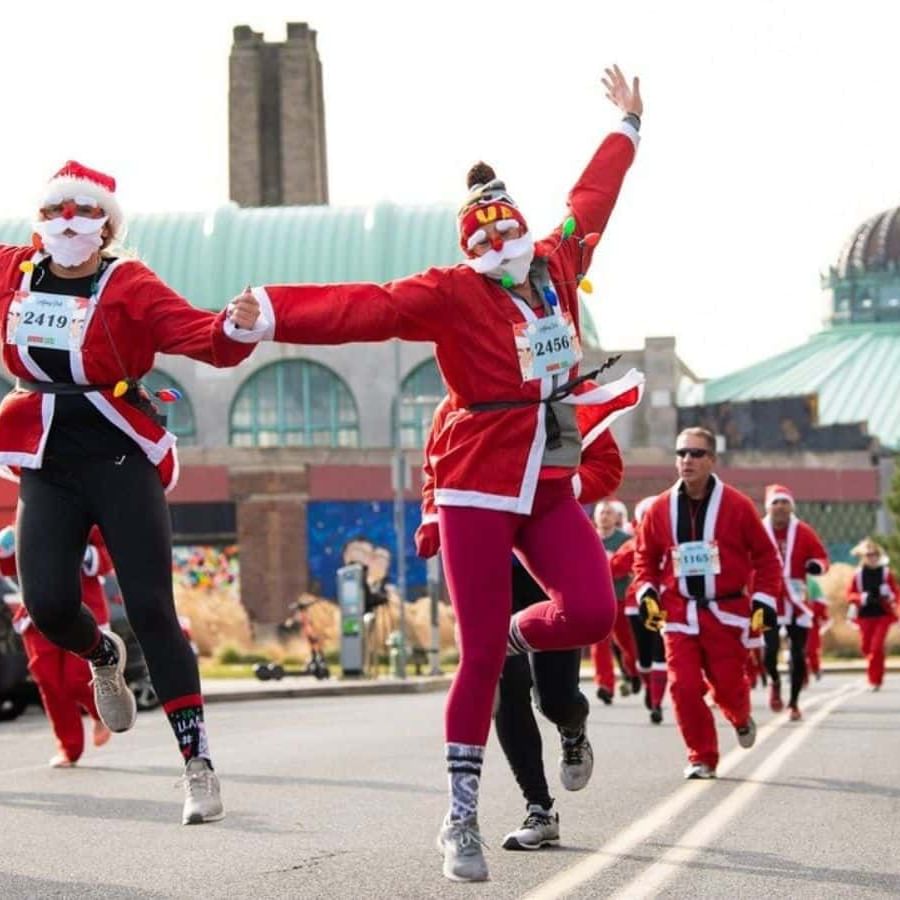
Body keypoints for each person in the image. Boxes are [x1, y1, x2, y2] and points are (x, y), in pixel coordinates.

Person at [237, 65, 645, 881]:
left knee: (596, 610)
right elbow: (366, 306)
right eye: (481, 241)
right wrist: (272, 310)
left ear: (526, 231)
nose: (497, 249)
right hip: (473, 483)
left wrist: (628, 127)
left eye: (506, 234)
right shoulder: (454, 292)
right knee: (479, 658)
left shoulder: (560, 264)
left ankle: (525, 639)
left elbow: (593, 197)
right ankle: (459, 817)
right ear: (468, 249)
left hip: (546, 477)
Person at [0, 161, 262, 823]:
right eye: (56, 210)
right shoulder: (13, 274)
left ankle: (197, 766)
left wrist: (236, 324)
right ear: (39, 221)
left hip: (119, 455)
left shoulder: (129, 284)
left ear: (108, 225)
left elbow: (198, 335)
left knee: (152, 609)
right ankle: (100, 654)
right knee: (50, 606)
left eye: (83, 213)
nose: (68, 223)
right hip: (47, 462)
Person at [416, 379, 627, 852]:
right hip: (491, 576)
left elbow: (606, 466)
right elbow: (435, 471)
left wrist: (550, 486)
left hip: (549, 570)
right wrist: (432, 517)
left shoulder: (564, 391)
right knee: (505, 691)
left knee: (554, 696)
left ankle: (573, 727)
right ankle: (539, 807)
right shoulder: (460, 399)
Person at [633, 428, 783, 779]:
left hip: (725, 612)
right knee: (683, 686)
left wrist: (763, 600)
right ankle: (702, 756)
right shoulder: (658, 508)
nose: (687, 459)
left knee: (729, 686)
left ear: (712, 460)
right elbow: (645, 559)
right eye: (681, 452)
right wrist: (647, 593)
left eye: (696, 453)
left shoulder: (737, 505)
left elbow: (767, 558)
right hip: (680, 611)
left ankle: (740, 716)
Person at [0, 523, 113, 766]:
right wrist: (5, 548)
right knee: (49, 681)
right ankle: (69, 749)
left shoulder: (88, 516)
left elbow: (107, 558)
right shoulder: (27, 516)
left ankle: (100, 713)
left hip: (81, 609)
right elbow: (9, 568)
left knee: (77, 677)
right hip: (37, 612)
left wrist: (81, 552)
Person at [760, 484, 829, 720]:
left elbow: (821, 557)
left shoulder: (803, 531)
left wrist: (815, 566)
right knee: (769, 651)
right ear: (768, 507)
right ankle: (775, 681)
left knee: (798, 654)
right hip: (768, 596)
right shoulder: (758, 530)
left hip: (796, 597)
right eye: (775, 503)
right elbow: (742, 555)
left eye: (784, 502)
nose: (780, 507)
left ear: (791, 507)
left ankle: (794, 703)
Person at [608, 495, 668, 723]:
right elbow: (611, 569)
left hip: (666, 605)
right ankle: (647, 683)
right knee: (643, 658)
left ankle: (656, 703)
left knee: (659, 653)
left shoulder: (673, 543)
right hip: (636, 606)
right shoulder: (633, 545)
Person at [589, 500, 638, 703]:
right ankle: (605, 686)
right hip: (596, 600)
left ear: (615, 517)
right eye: (602, 513)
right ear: (595, 517)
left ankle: (635, 672)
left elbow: (635, 567)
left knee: (627, 643)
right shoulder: (588, 538)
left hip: (620, 598)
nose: (605, 516)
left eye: (609, 513)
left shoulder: (625, 540)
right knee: (599, 645)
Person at [846, 538, 898, 691]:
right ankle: (877, 673)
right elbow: (850, 594)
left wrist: (889, 595)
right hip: (864, 615)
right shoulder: (858, 575)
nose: (872, 557)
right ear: (863, 557)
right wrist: (862, 597)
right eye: (869, 555)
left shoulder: (886, 573)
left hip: (883, 615)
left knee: (876, 647)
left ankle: (875, 679)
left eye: (875, 554)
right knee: (867, 648)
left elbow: (895, 592)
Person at [805, 575, 829, 681]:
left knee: (811, 649)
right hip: (794, 621)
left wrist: (811, 609)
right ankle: (802, 676)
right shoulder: (788, 579)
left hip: (811, 622)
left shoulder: (812, 582)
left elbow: (821, 602)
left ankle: (815, 668)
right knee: (798, 650)